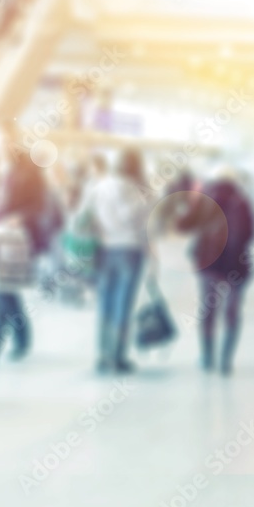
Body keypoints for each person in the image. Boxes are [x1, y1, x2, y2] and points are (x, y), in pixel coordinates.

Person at [77, 148, 153, 375]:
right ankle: (117, 357)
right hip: (129, 250)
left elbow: (82, 216)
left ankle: (103, 355)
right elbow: (136, 220)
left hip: (103, 250)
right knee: (123, 305)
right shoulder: (135, 190)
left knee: (106, 304)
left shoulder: (98, 186)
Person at [176, 173, 254, 375]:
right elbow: (250, 233)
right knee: (232, 313)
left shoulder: (204, 199)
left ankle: (207, 357)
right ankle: (226, 360)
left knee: (208, 311)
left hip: (209, 262)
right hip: (236, 264)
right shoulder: (243, 202)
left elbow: (182, 225)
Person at [0, 154, 48, 365]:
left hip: (15, 241)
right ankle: (23, 338)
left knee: (1, 291)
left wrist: (20, 217)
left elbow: (39, 206)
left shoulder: (30, 176)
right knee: (7, 293)